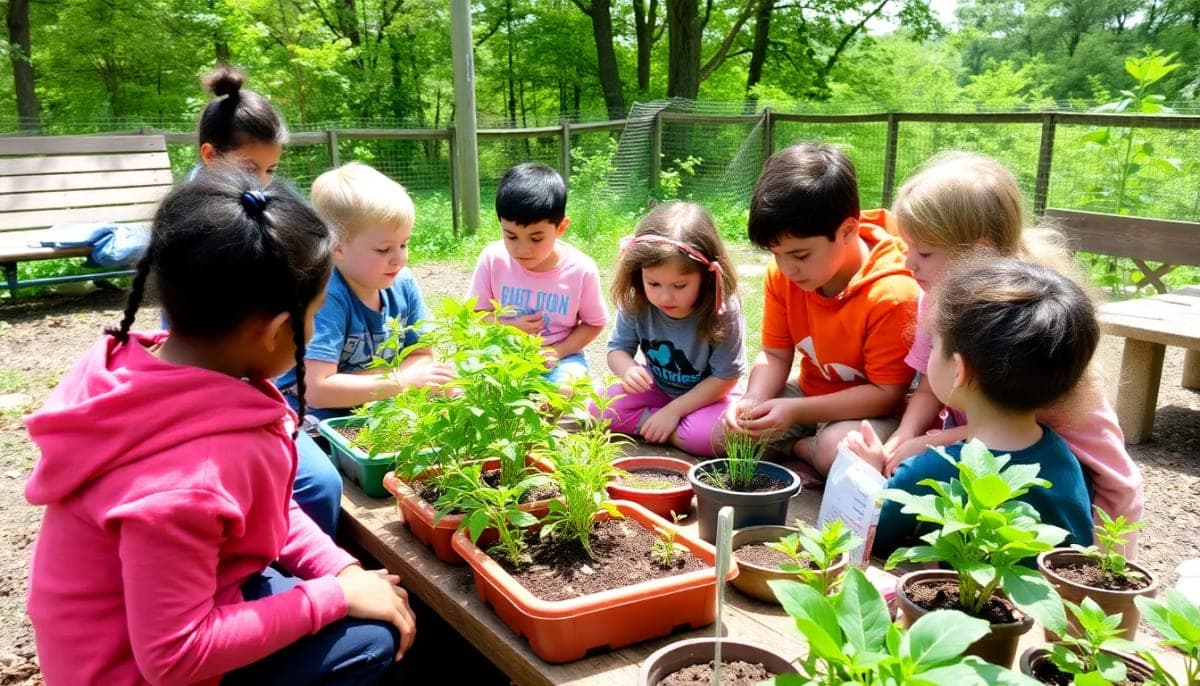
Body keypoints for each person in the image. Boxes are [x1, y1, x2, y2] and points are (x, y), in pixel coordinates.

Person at [24, 170, 416, 685]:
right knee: (365, 645)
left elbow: (269, 504)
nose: (316, 329)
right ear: (276, 330)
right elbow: (174, 657)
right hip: (130, 671)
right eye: (315, 315)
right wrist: (333, 598)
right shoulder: (187, 480)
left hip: (182, 608)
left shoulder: (160, 372)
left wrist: (339, 570)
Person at [880, 152, 1143, 552]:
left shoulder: (1029, 320)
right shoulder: (938, 295)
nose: (907, 262)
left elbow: (1017, 423)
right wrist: (907, 432)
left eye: (925, 252)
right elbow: (931, 387)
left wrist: (932, 443)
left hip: (1060, 461)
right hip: (988, 436)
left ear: (978, 251)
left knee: (1088, 551)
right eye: (908, 246)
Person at [854, 257, 1099, 555]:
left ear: (959, 371)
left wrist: (868, 474)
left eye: (935, 344)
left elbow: (871, 537)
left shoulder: (934, 470)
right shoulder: (1065, 459)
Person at [188, 63, 342, 536]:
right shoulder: (195, 224)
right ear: (210, 156)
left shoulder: (261, 201)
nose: (263, 181)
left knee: (319, 484)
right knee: (307, 484)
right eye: (251, 167)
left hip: (261, 373)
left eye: (271, 169)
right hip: (210, 382)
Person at [723, 143, 921, 477]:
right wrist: (752, 400)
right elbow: (774, 353)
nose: (787, 269)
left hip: (871, 411)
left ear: (846, 231)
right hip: (808, 395)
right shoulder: (784, 275)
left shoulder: (893, 293)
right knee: (726, 435)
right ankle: (805, 446)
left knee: (840, 453)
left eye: (800, 256)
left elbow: (887, 395)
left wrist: (797, 412)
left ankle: (805, 449)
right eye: (776, 253)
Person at [277, 162, 454, 420]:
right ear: (337, 247)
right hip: (317, 417)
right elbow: (316, 390)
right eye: (384, 250)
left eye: (404, 244)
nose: (399, 259)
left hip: (379, 408)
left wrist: (359, 383)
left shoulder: (403, 283)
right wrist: (400, 380)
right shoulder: (327, 295)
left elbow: (423, 358)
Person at [598, 201, 745, 457]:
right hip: (656, 389)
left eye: (679, 286)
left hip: (707, 400)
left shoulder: (722, 308)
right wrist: (628, 369)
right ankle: (674, 432)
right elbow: (617, 350)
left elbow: (726, 378)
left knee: (722, 436)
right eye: (653, 283)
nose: (665, 297)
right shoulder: (637, 298)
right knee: (597, 408)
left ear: (707, 276)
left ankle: (662, 426)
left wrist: (673, 412)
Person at [467, 163, 608, 385]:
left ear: (561, 228)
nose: (522, 250)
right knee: (462, 384)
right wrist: (507, 326)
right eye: (511, 237)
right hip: (500, 356)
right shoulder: (493, 258)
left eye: (536, 238)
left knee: (567, 392)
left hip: (560, 359)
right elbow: (474, 313)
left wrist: (556, 352)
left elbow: (595, 322)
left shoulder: (581, 270)